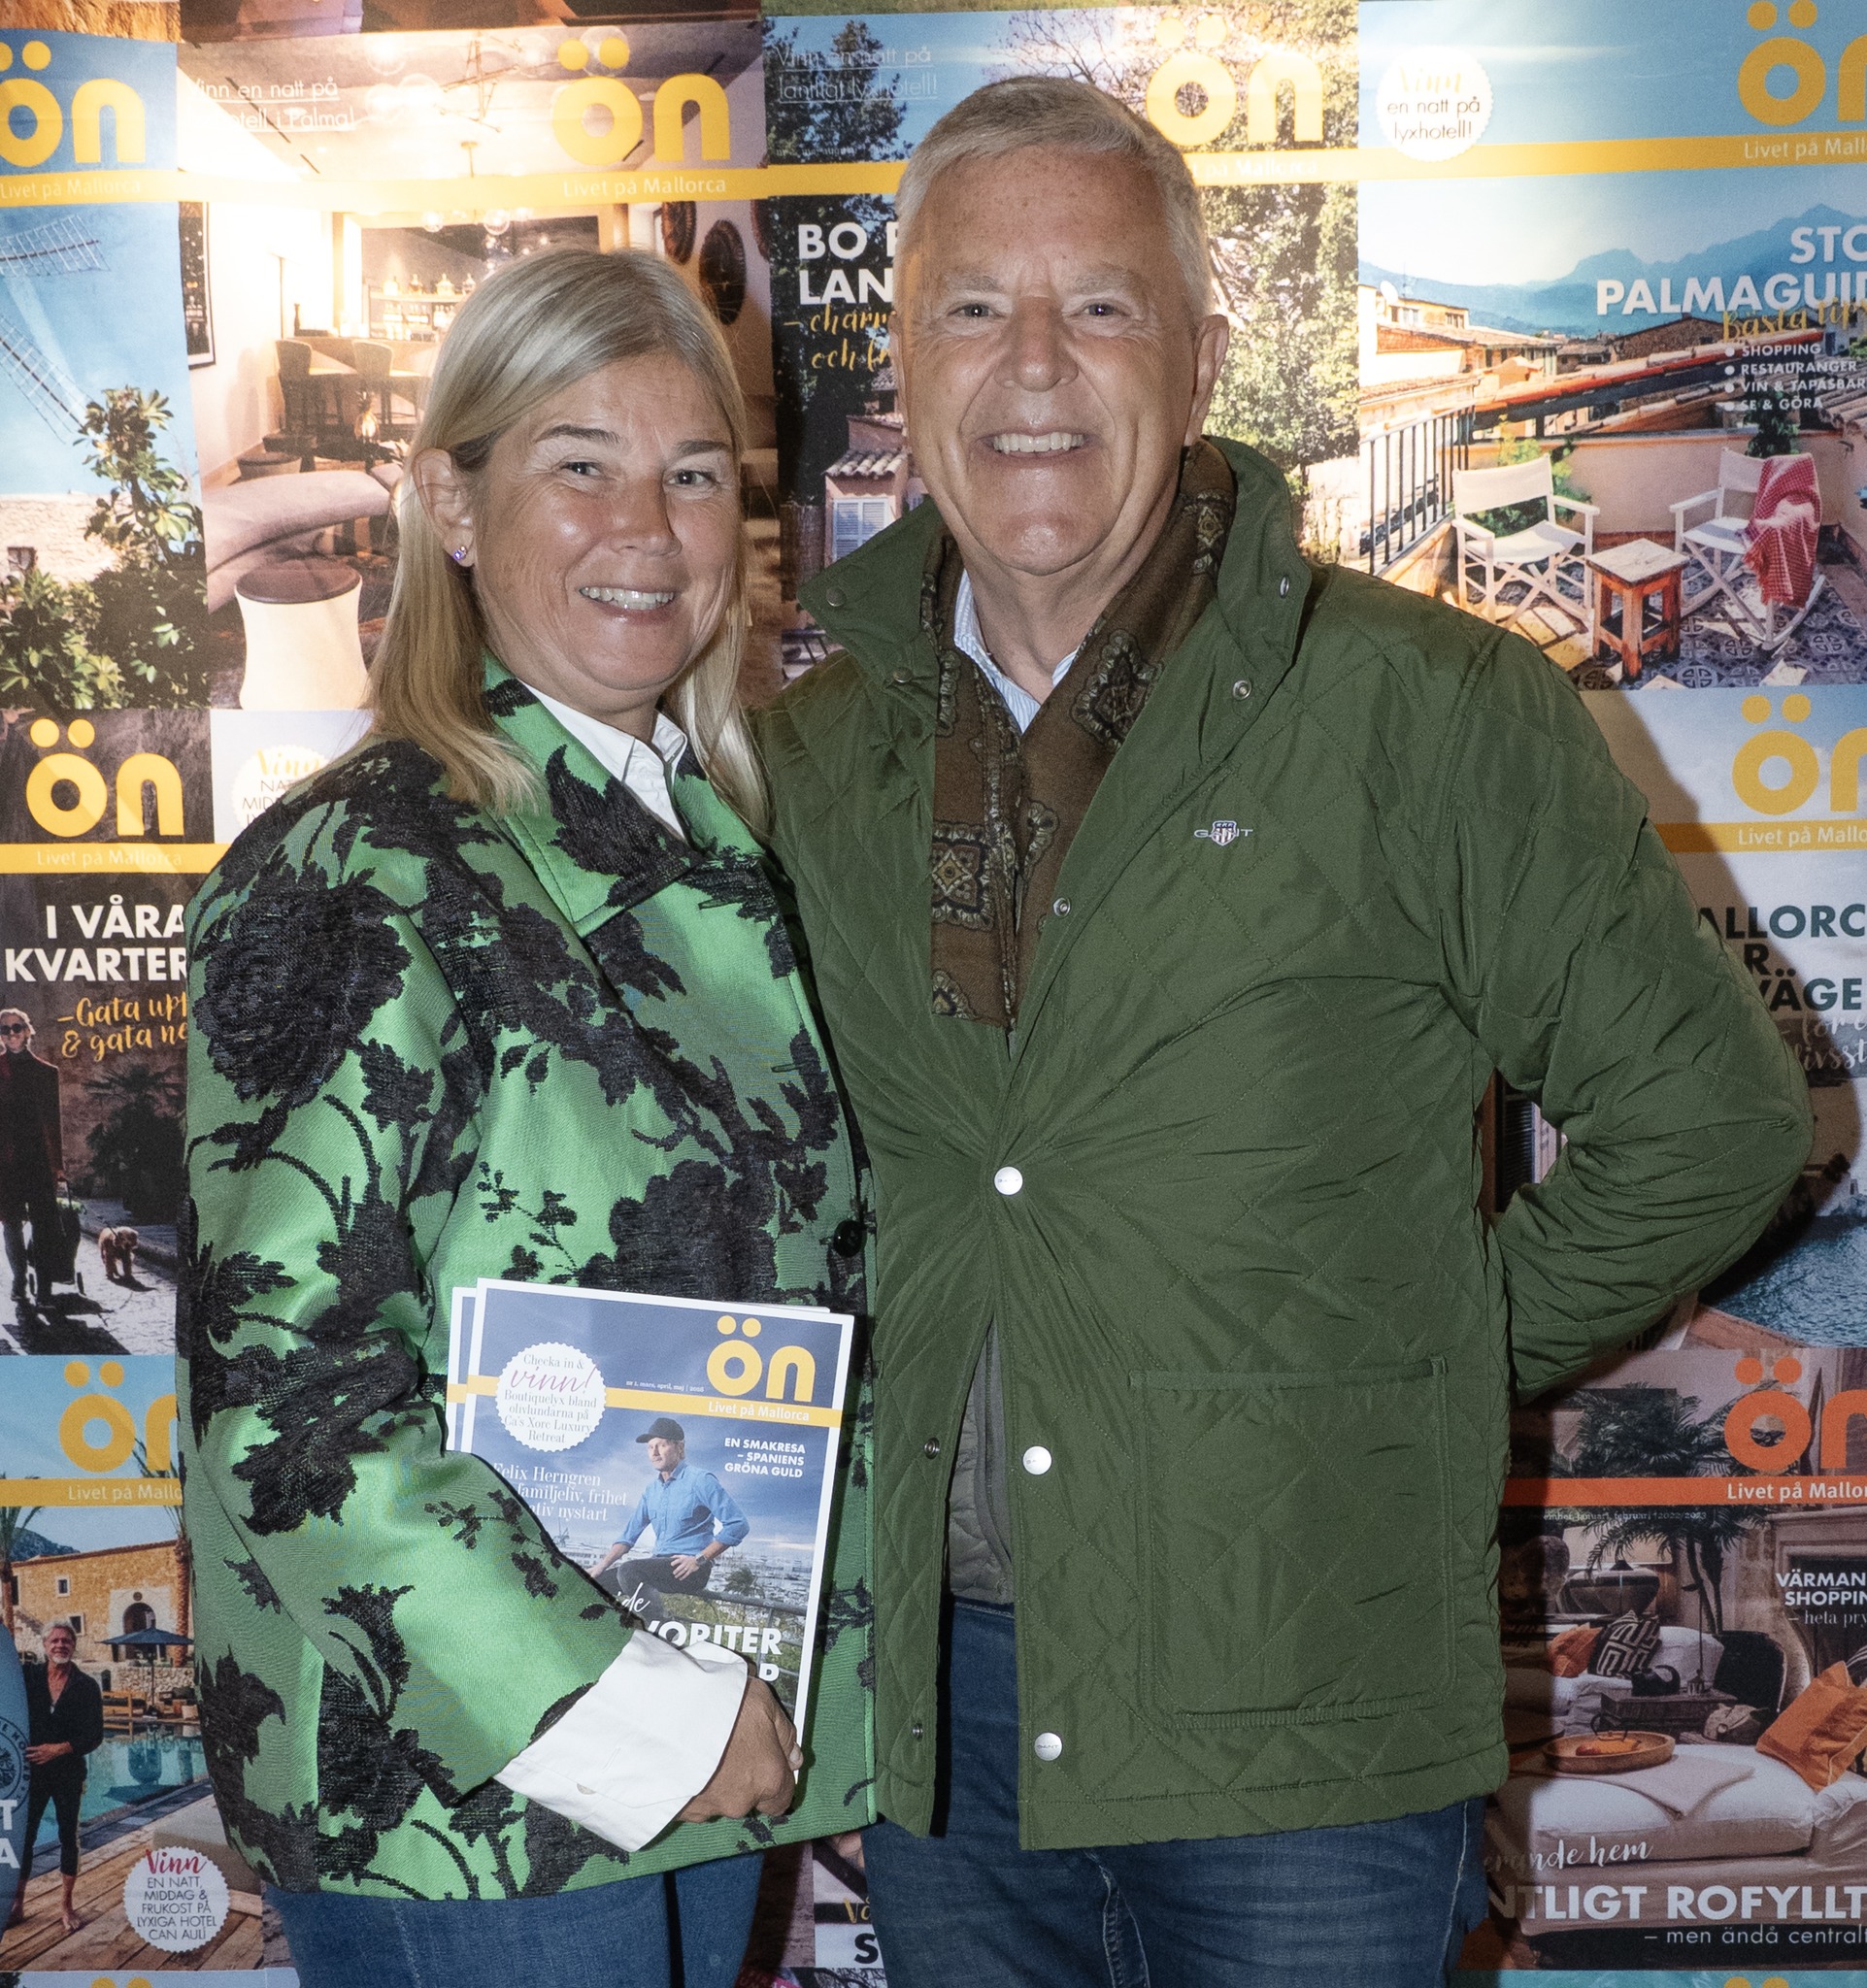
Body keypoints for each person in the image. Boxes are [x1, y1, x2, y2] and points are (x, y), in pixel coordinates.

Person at [751, 77, 1814, 1988]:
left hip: (1302, 1702)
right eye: (972, 308)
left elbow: (1708, 1123)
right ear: (900, 363)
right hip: (947, 1713)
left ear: (1200, 353)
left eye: (1099, 304)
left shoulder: (1424, 709)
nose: (1032, 366)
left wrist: (1412, 1360)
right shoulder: (811, 757)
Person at [180, 248, 871, 1988]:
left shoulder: (702, 841)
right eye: (579, 463)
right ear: (453, 505)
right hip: (462, 1794)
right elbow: (287, 1395)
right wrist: (624, 1705)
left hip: (679, 1743)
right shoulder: (362, 865)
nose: (648, 528)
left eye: (693, 474)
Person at [592, 1418, 750, 1624]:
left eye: (661, 1445)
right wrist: (601, 1566)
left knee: (629, 1570)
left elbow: (738, 1525)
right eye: (650, 1447)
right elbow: (627, 1537)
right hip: (660, 1565)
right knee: (594, 1583)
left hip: (691, 1569)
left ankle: (664, 1628)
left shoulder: (701, 1480)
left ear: (679, 1447)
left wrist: (699, 1559)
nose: (654, 1453)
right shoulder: (651, 1490)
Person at [6, 1622, 103, 1937]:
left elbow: (94, 1735)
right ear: (44, 1644)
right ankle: (17, 1903)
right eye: (54, 1640)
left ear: (73, 1645)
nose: (60, 1645)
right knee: (25, 1837)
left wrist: (59, 1749)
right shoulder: (28, 1677)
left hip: (68, 1773)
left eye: (66, 1640)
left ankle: (66, 1906)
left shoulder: (86, 1686)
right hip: (32, 1773)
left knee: (67, 1837)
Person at [0, 1008, 64, 1306]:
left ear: (27, 1031)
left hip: (38, 1159)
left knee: (44, 1224)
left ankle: (45, 1288)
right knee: (11, 1224)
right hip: (5, 1163)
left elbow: (54, 1123)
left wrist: (58, 1166)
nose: (11, 1034)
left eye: (17, 1027)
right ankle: (19, 1280)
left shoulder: (47, 1073)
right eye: (5, 1030)